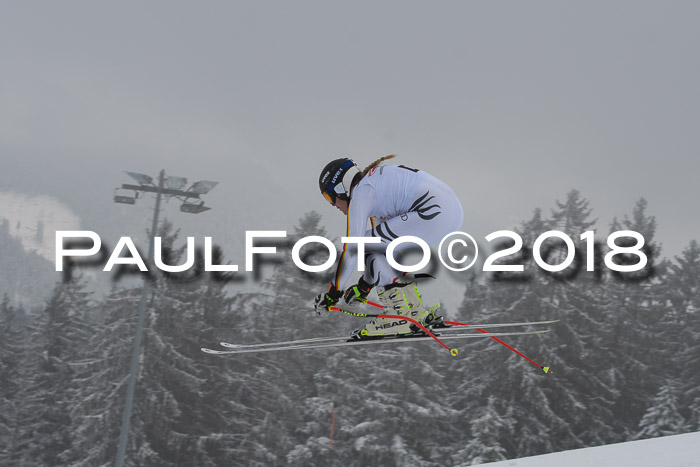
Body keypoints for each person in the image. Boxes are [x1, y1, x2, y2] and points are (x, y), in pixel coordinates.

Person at [314, 155, 464, 339]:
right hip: (450, 213)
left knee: (365, 242)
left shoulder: (362, 193)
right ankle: (413, 311)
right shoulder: (373, 186)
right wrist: (364, 286)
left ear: (340, 188)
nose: (332, 204)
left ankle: (400, 316)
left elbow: (353, 248)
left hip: (433, 211)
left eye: (329, 196)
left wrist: (333, 293)